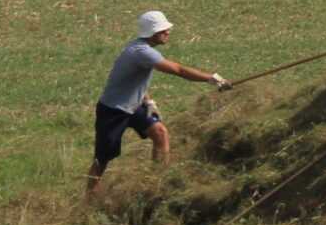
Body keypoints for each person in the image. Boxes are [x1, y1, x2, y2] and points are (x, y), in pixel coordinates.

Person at [87, 10, 224, 199]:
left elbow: (135, 81)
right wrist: (211, 78)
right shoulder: (141, 52)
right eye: (164, 29)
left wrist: (148, 100)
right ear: (153, 32)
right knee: (102, 157)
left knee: (160, 133)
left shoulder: (143, 49)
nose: (168, 32)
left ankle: (158, 183)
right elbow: (178, 70)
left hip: (135, 106)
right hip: (114, 111)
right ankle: (89, 196)